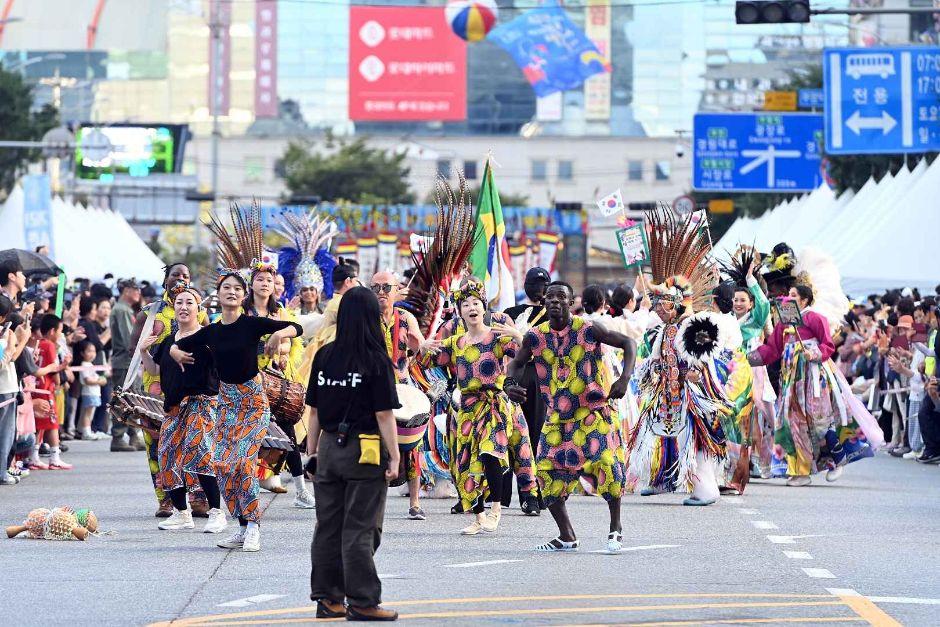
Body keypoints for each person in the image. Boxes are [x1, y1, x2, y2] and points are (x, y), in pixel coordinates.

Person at [171, 271, 302, 552]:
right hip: (227, 404)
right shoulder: (212, 331)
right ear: (217, 296)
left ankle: (254, 526)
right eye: (225, 288)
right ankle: (242, 526)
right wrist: (174, 353)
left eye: (236, 288)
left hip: (253, 403)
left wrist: (279, 332)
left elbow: (296, 328)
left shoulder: (252, 324)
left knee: (243, 463)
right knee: (222, 465)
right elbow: (179, 343)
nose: (231, 291)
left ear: (244, 296)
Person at [507, 282, 635, 553]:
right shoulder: (535, 336)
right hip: (557, 416)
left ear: (570, 301)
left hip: (592, 412)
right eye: (550, 297)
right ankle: (567, 536)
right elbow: (517, 362)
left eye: (561, 297)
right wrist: (509, 384)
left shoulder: (588, 329)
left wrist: (624, 379)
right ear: (544, 303)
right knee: (545, 471)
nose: (555, 301)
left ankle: (616, 528)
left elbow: (628, 342)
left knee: (607, 465)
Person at [306, 286, 400, 622]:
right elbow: (384, 415)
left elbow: (314, 412)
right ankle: (362, 601)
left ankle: (329, 599)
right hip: (366, 449)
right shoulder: (376, 360)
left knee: (328, 526)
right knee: (360, 528)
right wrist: (396, 455)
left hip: (329, 447)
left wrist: (312, 453)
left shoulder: (324, 356)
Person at [422, 279, 530, 534]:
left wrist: (519, 336)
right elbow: (425, 361)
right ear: (459, 311)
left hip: (494, 405)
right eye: (466, 304)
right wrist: (423, 346)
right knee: (465, 463)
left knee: (489, 453)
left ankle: (495, 511)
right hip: (467, 408)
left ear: (484, 308)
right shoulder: (455, 343)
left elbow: (530, 354)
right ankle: (479, 516)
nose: (471, 307)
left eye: (476, 303)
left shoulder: (497, 336)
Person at [748, 285, 883, 486]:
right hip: (791, 381)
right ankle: (800, 470)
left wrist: (815, 352)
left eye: (794, 295)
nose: (789, 298)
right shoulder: (785, 321)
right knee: (791, 421)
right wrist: (747, 359)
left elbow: (828, 344)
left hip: (813, 377)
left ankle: (836, 457)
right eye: (789, 294)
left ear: (804, 300)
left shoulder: (815, 318)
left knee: (818, 421)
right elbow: (773, 349)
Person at [141, 283, 227, 533]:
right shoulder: (168, 340)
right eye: (179, 302)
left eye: (189, 302)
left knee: (199, 451)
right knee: (166, 454)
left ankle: (216, 512)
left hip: (202, 403)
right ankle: (181, 512)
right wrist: (144, 350)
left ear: (198, 309)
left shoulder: (209, 337)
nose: (183, 306)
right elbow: (155, 370)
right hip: (174, 407)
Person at [131, 263, 208, 517]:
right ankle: (165, 499)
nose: (181, 279)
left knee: (194, 443)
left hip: (191, 388)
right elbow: (135, 354)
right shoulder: (148, 313)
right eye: (175, 275)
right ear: (165, 280)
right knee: (157, 444)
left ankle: (197, 498)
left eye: (186, 275)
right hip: (155, 388)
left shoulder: (201, 312)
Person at [244, 261, 314, 508]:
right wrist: (266, 347)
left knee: (288, 434)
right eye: (260, 280)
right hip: (248, 383)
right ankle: (246, 492)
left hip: (276, 384)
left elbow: (295, 336)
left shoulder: (280, 312)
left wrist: (280, 338)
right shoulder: (243, 313)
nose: (265, 284)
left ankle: (301, 492)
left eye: (269, 281)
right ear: (251, 284)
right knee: (248, 437)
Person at [372, 270, 430, 521]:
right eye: (376, 288)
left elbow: (421, 347)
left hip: (403, 388)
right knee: (374, 446)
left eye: (387, 287)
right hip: (373, 389)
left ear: (398, 290)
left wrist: (421, 345)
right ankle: (375, 503)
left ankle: (415, 503)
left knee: (412, 446)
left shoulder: (406, 318)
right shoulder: (365, 317)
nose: (382, 293)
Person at [502, 267, 550, 506]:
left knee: (537, 433)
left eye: (543, 284)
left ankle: (535, 492)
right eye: (534, 283)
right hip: (515, 374)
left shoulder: (554, 315)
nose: (538, 288)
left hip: (541, 377)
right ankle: (503, 494)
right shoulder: (510, 313)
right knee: (511, 433)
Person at [108, 278, 143, 452]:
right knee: (123, 399)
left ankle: (133, 435)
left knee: (132, 399)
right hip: (125, 362)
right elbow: (128, 339)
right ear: (126, 290)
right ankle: (118, 436)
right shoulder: (121, 310)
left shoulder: (125, 309)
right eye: (136, 289)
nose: (139, 293)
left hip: (128, 362)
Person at [75, 340, 108, 440]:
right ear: (82, 353)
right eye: (89, 351)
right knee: (88, 414)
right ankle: (86, 432)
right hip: (89, 393)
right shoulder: (84, 365)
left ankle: (85, 430)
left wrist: (101, 380)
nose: (92, 354)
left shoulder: (90, 365)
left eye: (93, 351)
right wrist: (99, 381)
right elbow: (88, 380)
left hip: (94, 393)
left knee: (90, 413)